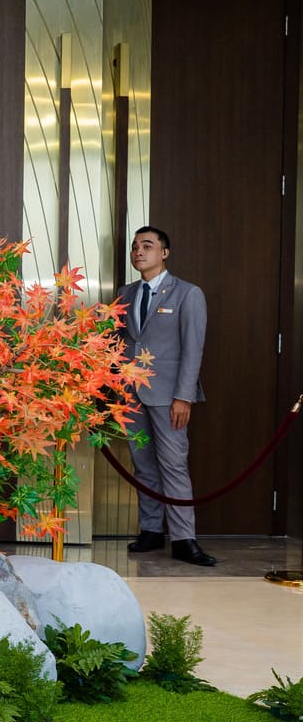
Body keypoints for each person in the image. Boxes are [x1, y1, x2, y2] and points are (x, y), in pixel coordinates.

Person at [122, 225, 215, 566]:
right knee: (143, 465)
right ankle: (150, 530)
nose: (139, 251)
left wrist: (184, 397)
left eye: (147, 245)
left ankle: (183, 539)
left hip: (169, 396)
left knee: (173, 465)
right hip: (131, 395)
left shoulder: (187, 294)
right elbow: (120, 343)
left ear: (164, 253)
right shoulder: (126, 293)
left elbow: (193, 349)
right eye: (135, 246)